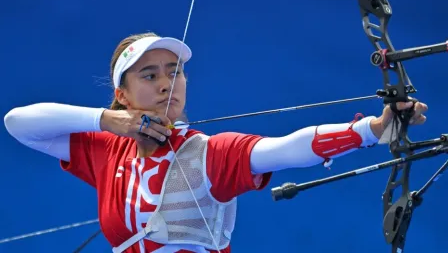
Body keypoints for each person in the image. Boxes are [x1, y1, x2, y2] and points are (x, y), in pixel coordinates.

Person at [3, 32, 428, 253]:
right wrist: (104, 120)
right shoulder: (107, 149)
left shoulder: (207, 155)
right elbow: (18, 123)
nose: (168, 84)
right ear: (122, 93)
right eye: (150, 76)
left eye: (175, 71)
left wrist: (371, 130)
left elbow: (284, 149)